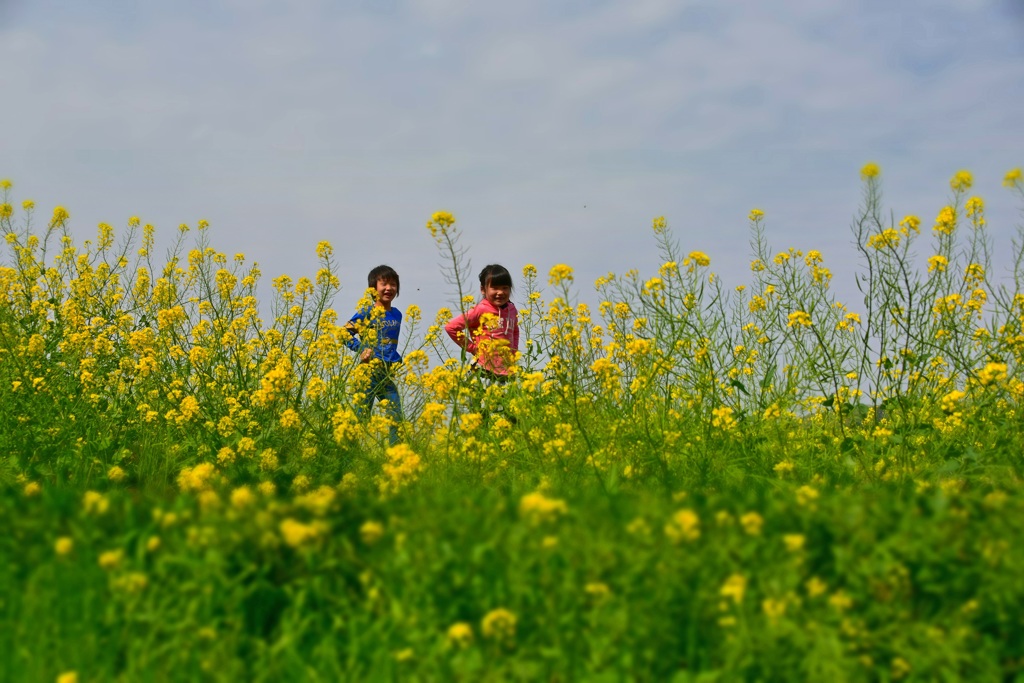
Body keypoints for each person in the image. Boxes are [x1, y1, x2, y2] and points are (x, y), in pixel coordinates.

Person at [345, 265, 404, 444]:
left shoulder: (397, 314)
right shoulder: (366, 312)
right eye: (384, 284)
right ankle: (347, 455)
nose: (389, 288)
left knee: (396, 418)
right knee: (360, 418)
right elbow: (345, 333)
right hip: (369, 373)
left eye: (393, 284)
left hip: (386, 373)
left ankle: (396, 457)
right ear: (373, 288)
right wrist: (360, 348)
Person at [445, 264, 520, 381]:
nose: (500, 292)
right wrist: (473, 348)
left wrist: (514, 352)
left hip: (506, 372)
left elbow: (515, 330)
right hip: (483, 371)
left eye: (505, 288)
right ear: (483, 290)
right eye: (494, 288)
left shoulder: (512, 309)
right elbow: (451, 327)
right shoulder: (481, 310)